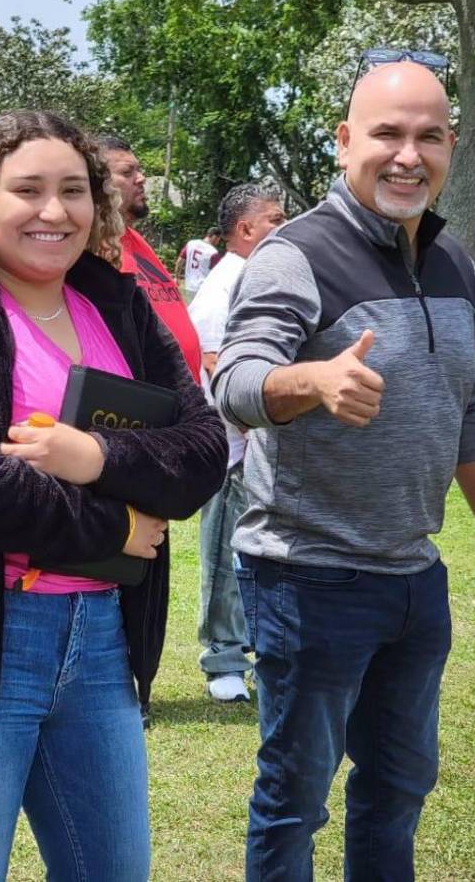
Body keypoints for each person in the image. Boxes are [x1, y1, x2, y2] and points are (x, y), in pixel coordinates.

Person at [0, 110, 227, 882]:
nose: (53, 211)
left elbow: (202, 453)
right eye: (26, 189)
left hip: (101, 641)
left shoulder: (119, 306)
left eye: (73, 190)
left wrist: (91, 454)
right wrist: (112, 529)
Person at [213, 60, 475, 881]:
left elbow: (469, 406)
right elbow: (233, 382)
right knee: (296, 799)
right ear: (346, 140)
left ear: (451, 145)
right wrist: (311, 381)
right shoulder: (295, 255)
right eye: (386, 133)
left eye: (427, 136)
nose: (406, 155)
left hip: (414, 579)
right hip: (309, 580)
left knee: (399, 786)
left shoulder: (454, 260)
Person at [187, 183, 286, 703]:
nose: (284, 226)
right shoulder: (224, 286)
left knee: (252, 555)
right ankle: (222, 658)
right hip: (232, 448)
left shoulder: (255, 276)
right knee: (225, 555)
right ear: (245, 229)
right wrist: (255, 430)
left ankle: (248, 647)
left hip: (258, 445)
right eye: (275, 219)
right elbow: (215, 363)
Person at [99, 135, 202, 378]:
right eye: (127, 172)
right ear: (99, 183)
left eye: (139, 169)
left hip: (182, 400)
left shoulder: (136, 240)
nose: (141, 178)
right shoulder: (94, 247)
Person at [179, 226, 222, 293]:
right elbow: (217, 273)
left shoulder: (191, 244)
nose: (218, 242)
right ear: (214, 237)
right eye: (219, 239)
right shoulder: (213, 252)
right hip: (203, 290)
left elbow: (180, 261)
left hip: (189, 287)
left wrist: (177, 277)